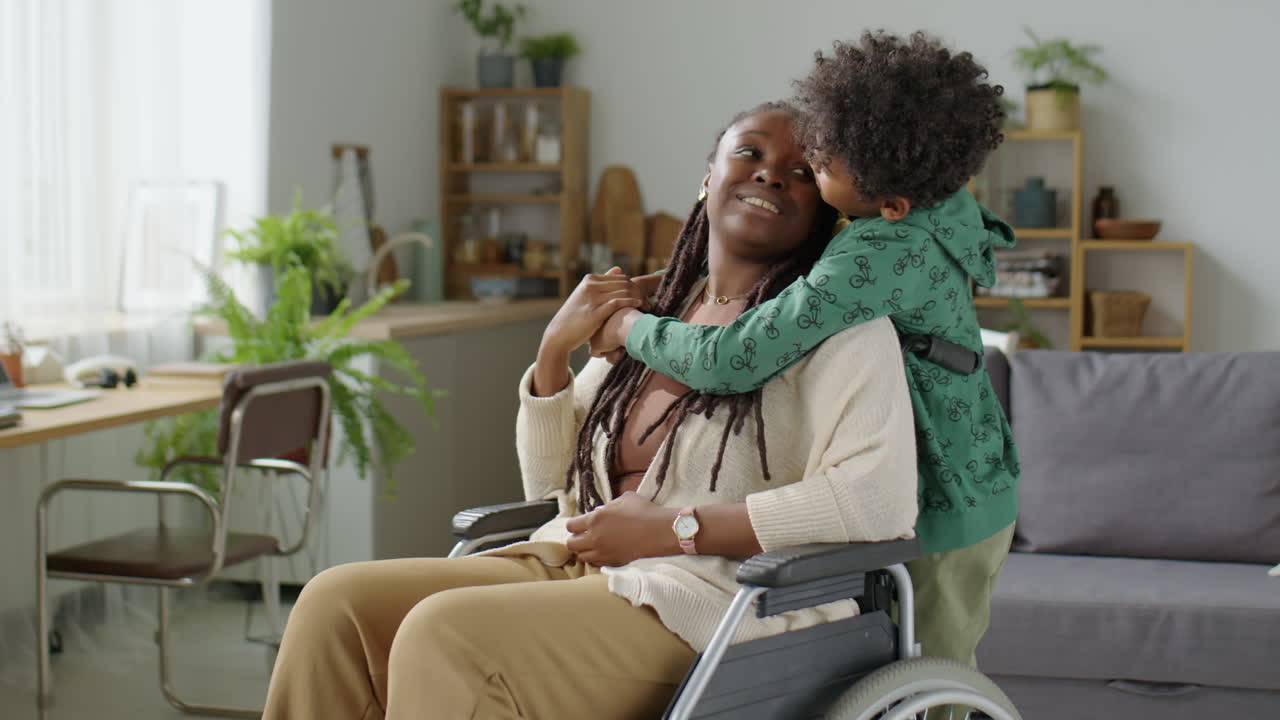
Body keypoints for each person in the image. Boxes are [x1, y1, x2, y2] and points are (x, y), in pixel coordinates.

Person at [261, 103, 919, 720]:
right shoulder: (652, 317)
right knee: (333, 606)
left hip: (713, 602)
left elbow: (876, 504)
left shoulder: (841, 331)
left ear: (826, 211)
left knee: (447, 636)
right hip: (580, 568)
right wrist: (553, 351)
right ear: (706, 181)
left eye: (802, 172)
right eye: (749, 152)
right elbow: (550, 488)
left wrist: (674, 530)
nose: (772, 172)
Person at [590, 31, 1020, 671]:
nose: (806, 174)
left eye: (817, 168)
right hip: (971, 464)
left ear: (892, 204)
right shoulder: (933, 196)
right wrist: (671, 289)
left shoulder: (875, 256)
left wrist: (629, 329)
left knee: (924, 667)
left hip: (947, 497)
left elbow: (731, 357)